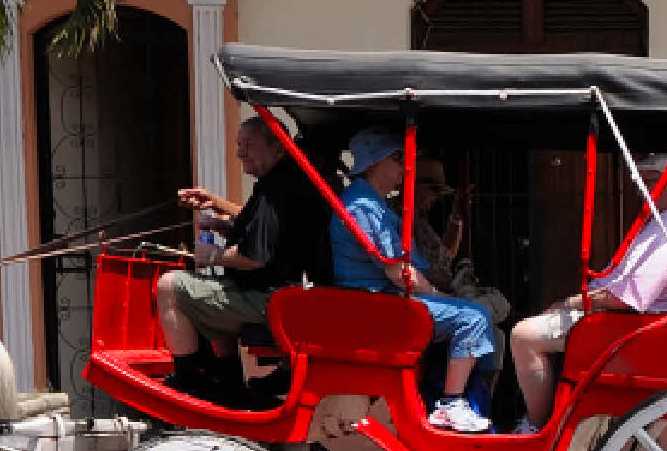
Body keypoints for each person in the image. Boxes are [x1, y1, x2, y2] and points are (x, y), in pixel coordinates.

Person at [507, 159, 667, 433]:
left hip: (627, 330)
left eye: (649, 181)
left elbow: (628, 297)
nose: (640, 189)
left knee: (523, 336)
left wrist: (571, 302)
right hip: (627, 323)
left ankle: (537, 427)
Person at [329, 128, 502, 434]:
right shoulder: (363, 207)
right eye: (398, 158)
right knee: (473, 317)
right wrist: (440, 296)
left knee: (477, 315)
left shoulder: (374, 204)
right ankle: (450, 403)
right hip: (378, 305)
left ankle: (472, 401)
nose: (405, 166)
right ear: (373, 163)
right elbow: (399, 272)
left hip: (387, 299)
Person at [156, 115, 331, 381]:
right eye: (238, 145)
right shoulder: (286, 181)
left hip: (269, 298)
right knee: (214, 285)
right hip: (278, 293)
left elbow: (255, 257)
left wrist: (213, 255)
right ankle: (230, 384)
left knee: (168, 286)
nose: (239, 153)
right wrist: (217, 211)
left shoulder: (276, 189)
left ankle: (189, 381)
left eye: (247, 145)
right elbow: (267, 233)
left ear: (278, 148)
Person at [409, 155, 510, 325]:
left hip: (442, 293)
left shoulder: (419, 220)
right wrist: (443, 294)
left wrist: (457, 217)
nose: (435, 197)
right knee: (482, 310)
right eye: (432, 190)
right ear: (413, 186)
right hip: (426, 298)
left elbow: (447, 253)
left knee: (497, 310)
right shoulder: (399, 219)